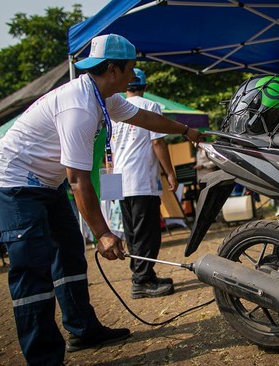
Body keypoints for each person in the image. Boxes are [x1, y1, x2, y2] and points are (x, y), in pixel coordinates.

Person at [0, 34, 201, 365]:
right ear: (113, 69)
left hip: (47, 181)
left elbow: (144, 118)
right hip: (15, 183)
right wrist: (103, 233)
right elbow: (78, 180)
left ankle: (83, 329)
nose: (133, 77)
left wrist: (184, 130)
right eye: (130, 69)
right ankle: (43, 358)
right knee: (33, 266)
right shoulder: (80, 107)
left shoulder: (104, 97)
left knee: (69, 253)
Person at [112, 68, 177, 299]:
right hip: (140, 180)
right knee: (147, 233)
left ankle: (143, 276)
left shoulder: (115, 109)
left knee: (132, 233)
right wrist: (169, 172)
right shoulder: (150, 106)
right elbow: (158, 143)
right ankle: (142, 281)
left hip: (119, 181)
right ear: (145, 87)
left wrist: (109, 188)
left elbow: (108, 152)